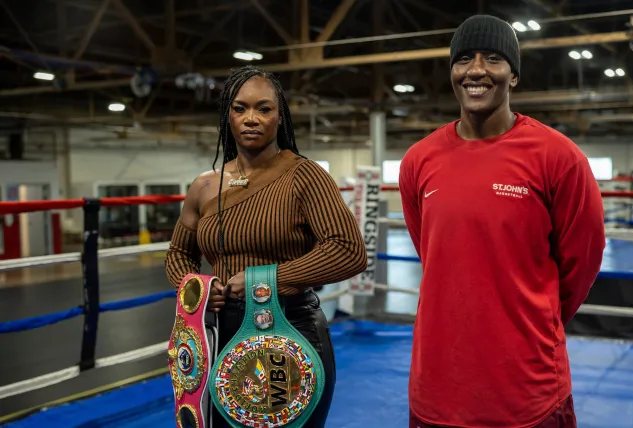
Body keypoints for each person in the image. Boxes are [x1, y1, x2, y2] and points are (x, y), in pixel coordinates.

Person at [398, 15, 606, 428]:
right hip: (437, 390)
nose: (476, 70)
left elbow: (582, 261)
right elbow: (432, 252)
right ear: (453, 73)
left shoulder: (558, 158)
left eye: (492, 59)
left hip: (527, 391)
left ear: (513, 75)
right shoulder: (418, 161)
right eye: (464, 60)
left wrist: (530, 321)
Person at [165, 64, 368, 427]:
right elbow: (179, 253)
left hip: (289, 326)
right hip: (218, 333)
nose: (251, 119)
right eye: (240, 108)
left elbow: (348, 250)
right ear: (227, 116)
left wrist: (266, 279)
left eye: (264, 108)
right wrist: (195, 288)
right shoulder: (204, 186)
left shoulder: (305, 176)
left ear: (280, 116)